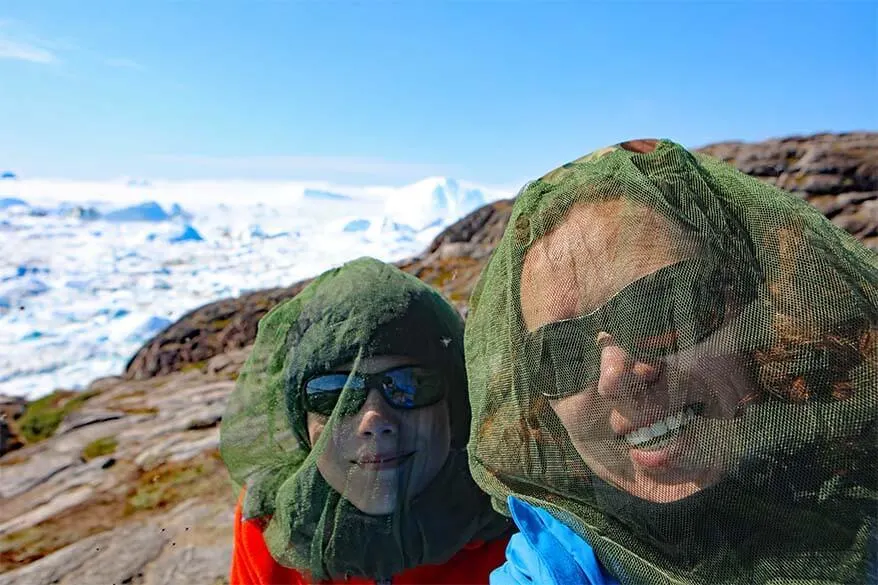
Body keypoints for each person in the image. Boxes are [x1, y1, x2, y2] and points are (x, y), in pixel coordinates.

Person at [464, 139, 878, 584]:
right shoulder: (549, 570)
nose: (614, 378)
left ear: (760, 305)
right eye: (560, 352)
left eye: (660, 309)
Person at [220, 257, 512, 584]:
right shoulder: (268, 524)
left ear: (455, 407)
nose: (373, 419)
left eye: (409, 385)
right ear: (301, 419)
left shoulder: (523, 532)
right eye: (332, 393)